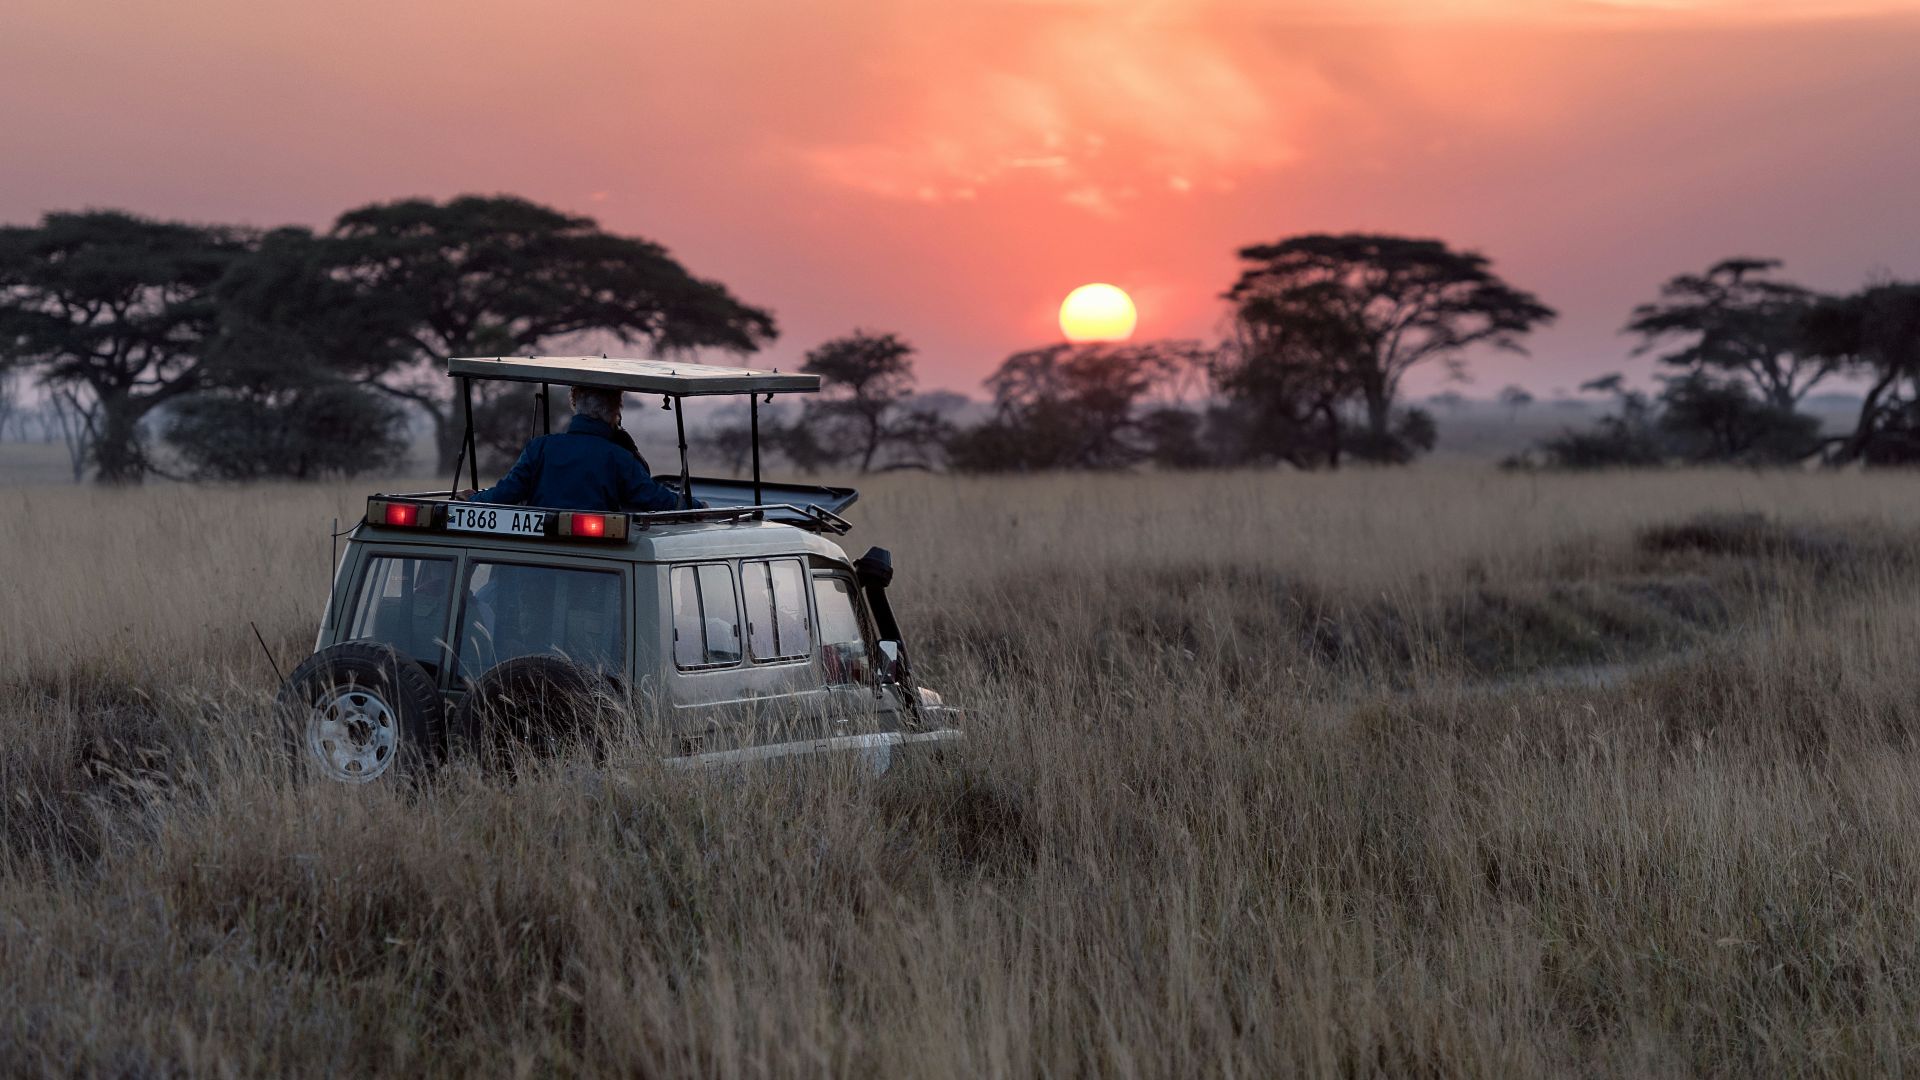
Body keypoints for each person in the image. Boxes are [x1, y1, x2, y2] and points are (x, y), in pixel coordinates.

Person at [461, 385, 697, 512]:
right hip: (599, 561)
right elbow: (653, 498)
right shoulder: (618, 457)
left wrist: (475, 500)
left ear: (575, 405)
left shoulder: (540, 447)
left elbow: (508, 492)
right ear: (615, 411)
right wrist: (695, 507)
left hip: (539, 558)